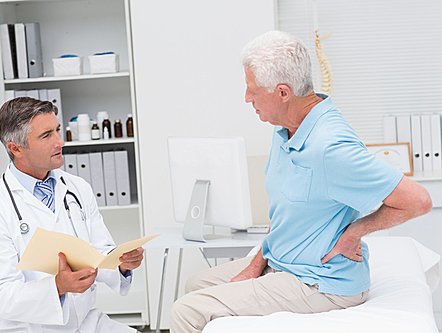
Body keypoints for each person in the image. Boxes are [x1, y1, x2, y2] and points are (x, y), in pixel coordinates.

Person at [170, 30, 432, 333]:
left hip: (321, 282)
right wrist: (257, 264)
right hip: (283, 264)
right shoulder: (286, 129)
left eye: (253, 90)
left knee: (186, 312)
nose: (247, 98)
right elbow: (283, 212)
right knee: (195, 284)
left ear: (283, 93)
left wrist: (354, 233)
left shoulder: (330, 147)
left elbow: (418, 201)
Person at [0, 97, 144, 333]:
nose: (60, 142)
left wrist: (121, 263)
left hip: (85, 323)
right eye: (46, 135)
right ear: (15, 148)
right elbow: (0, 296)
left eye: (58, 130)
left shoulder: (77, 188)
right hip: (29, 329)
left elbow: (99, 252)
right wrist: (57, 287)